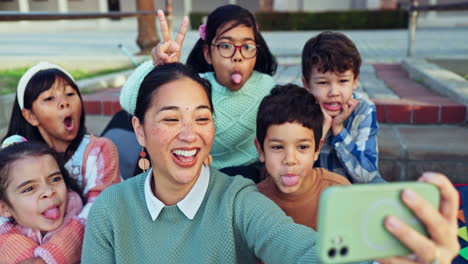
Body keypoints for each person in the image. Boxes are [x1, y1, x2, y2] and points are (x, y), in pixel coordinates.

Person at [83, 63, 459, 264]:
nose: (189, 134)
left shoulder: (237, 199)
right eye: (170, 119)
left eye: (201, 118)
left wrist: (384, 257)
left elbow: (302, 251)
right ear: (140, 130)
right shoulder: (110, 211)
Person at [2, 62, 121, 263]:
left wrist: (48, 259)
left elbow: (98, 214)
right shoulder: (14, 156)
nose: (64, 103)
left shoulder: (99, 150)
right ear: (30, 116)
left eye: (70, 94)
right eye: (49, 98)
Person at [150, 5, 277, 182]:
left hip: (255, 175)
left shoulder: (267, 87)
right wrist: (164, 70)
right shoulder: (196, 86)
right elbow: (131, 102)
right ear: (208, 54)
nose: (237, 56)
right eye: (226, 45)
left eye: (247, 46)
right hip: (202, 173)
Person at [255, 84, 350, 231]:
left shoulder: (339, 193)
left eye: (302, 147)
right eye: (277, 147)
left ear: (317, 149)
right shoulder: (254, 202)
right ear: (260, 150)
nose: (290, 160)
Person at [301, 31, 385, 183]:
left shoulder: (363, 110)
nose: (334, 92)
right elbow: (296, 171)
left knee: (380, 186)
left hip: (355, 190)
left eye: (343, 81)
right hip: (316, 191)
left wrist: (338, 130)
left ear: (355, 81)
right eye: (322, 83)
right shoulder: (299, 111)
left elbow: (367, 175)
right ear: (306, 84)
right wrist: (323, 129)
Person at [0, 139, 83, 264]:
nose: (49, 192)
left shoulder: (77, 213)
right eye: (29, 188)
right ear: (5, 208)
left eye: (55, 179)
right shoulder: (8, 234)